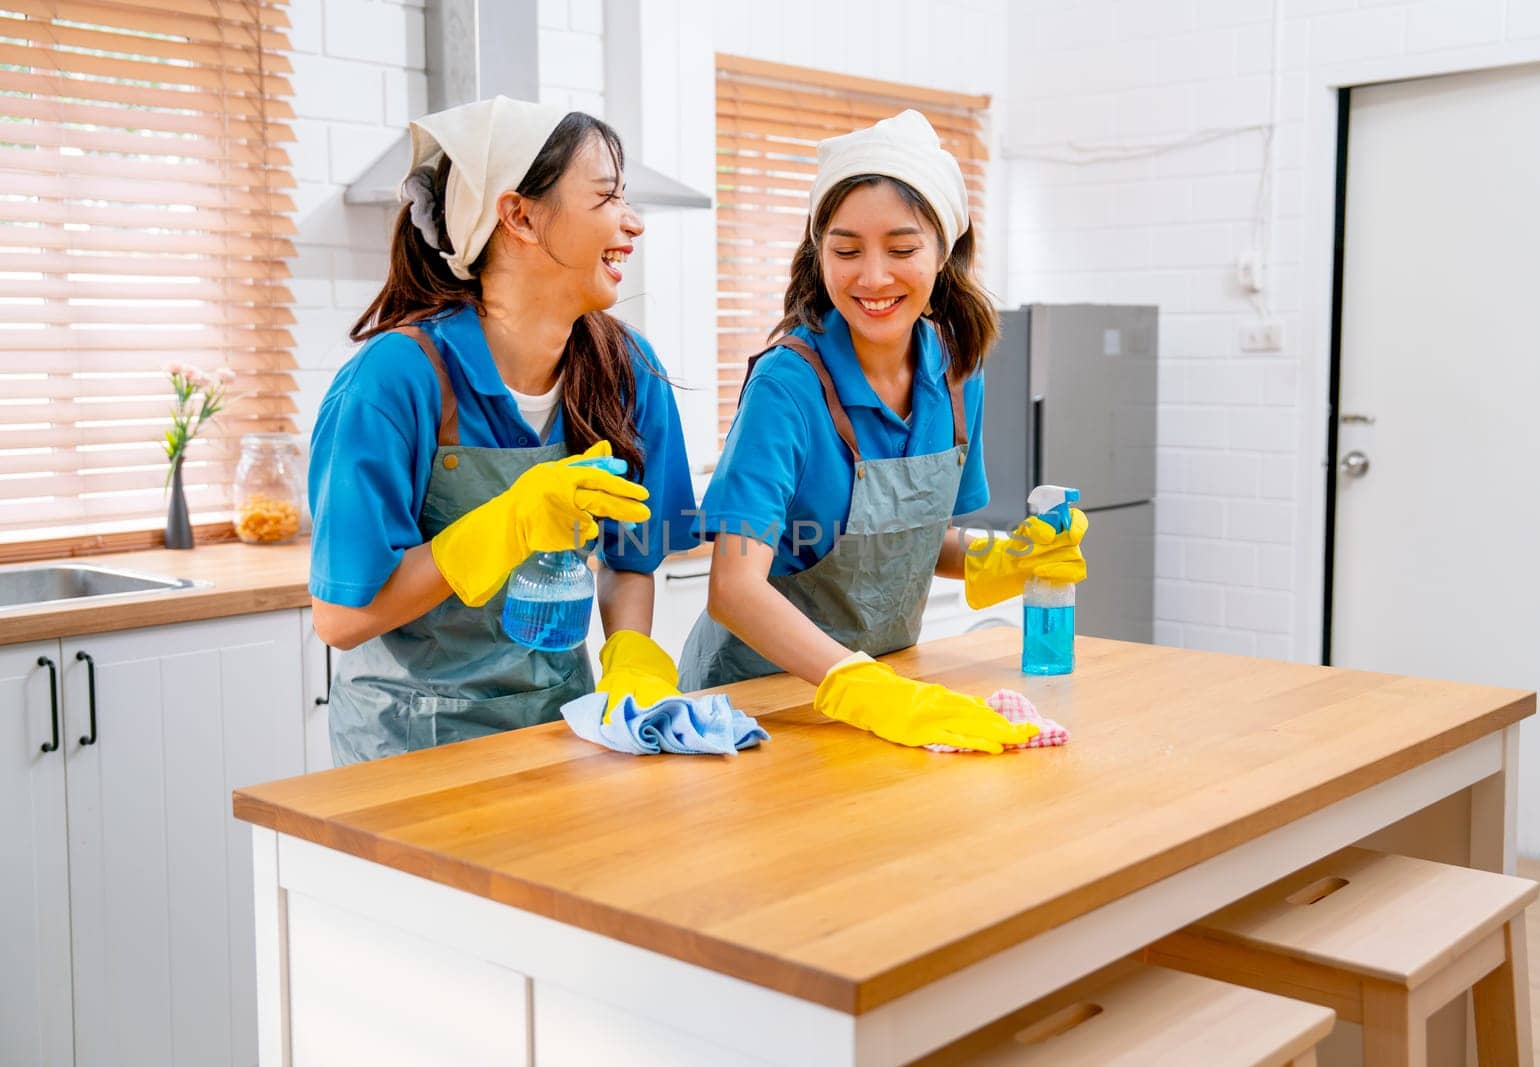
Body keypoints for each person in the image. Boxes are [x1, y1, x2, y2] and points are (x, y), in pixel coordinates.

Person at [681, 110, 1087, 754]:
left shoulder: (957, 372)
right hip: (762, 707)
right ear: (820, 254)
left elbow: (919, 541)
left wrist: (998, 559)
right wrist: (858, 684)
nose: (871, 277)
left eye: (900, 250)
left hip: (892, 696)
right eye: (845, 251)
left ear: (943, 251)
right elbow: (734, 587)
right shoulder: (789, 385)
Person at [309, 96, 696, 765]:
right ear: (518, 214)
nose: (631, 223)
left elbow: (633, 561)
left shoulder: (625, 370)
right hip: (410, 750)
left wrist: (630, 655)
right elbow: (342, 619)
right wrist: (508, 522)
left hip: (558, 732)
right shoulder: (397, 379)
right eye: (605, 198)